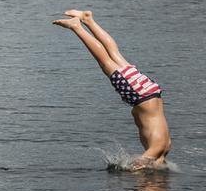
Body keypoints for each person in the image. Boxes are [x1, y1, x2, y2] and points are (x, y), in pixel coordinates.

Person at [53, 9, 172, 169]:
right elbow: (141, 161)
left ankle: (88, 20)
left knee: (114, 54)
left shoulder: (166, 148)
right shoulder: (156, 149)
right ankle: (77, 27)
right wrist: (130, 169)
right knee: (105, 62)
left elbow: (154, 157)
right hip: (139, 95)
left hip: (150, 90)